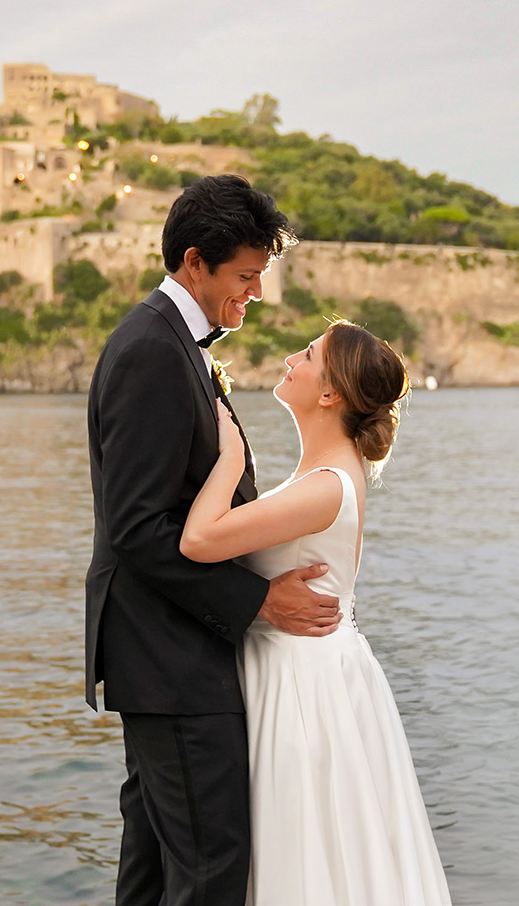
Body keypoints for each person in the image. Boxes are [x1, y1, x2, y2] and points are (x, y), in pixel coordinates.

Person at [85, 174, 343, 906]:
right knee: (211, 867)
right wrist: (258, 602)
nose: (256, 292)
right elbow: (138, 529)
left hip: (165, 654)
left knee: (156, 870)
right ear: (194, 263)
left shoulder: (175, 342)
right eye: (245, 276)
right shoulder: (152, 350)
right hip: (171, 660)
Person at [180, 320, 453, 905]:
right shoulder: (323, 475)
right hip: (311, 669)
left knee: (306, 849)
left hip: (304, 686)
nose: (289, 360)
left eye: (305, 355)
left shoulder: (325, 486)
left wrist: (231, 456)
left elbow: (199, 541)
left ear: (329, 393)